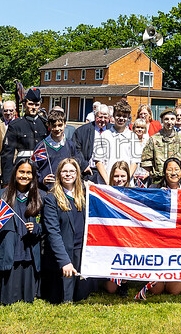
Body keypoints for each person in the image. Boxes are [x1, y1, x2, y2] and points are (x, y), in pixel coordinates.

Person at [0, 158, 44, 305]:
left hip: (29, 257)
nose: (25, 176)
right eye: (21, 172)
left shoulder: (40, 196)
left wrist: (37, 228)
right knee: (8, 299)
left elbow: (48, 228)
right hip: (9, 256)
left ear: (33, 175)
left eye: (29, 173)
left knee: (28, 299)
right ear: (14, 173)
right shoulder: (2, 196)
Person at [42, 158, 91, 304]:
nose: (68, 174)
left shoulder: (86, 194)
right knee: (64, 298)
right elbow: (53, 232)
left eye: (72, 171)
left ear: (77, 174)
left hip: (81, 250)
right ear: (59, 174)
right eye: (64, 171)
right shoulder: (51, 198)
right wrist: (64, 261)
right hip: (63, 252)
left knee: (82, 296)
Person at [149, 157, 181, 296]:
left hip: (177, 243)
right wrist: (156, 197)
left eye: (176, 169)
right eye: (170, 169)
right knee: (155, 290)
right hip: (158, 242)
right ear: (164, 172)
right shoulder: (154, 189)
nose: (173, 173)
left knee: (174, 291)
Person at [1, 88, 49, 183]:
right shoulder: (16, 125)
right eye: (30, 104)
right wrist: (7, 181)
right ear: (25, 104)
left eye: (37, 105)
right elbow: (7, 154)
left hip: (41, 169)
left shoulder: (45, 124)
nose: (34, 107)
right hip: (22, 170)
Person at [101, 161, 132, 296]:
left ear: (128, 177)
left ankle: (125, 282)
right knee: (110, 288)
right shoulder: (105, 192)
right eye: (116, 176)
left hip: (128, 235)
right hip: (111, 234)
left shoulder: (134, 192)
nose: (119, 180)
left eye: (123, 176)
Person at [34, 110, 86, 190]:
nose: (57, 129)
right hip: (46, 191)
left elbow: (78, 167)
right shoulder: (41, 147)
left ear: (65, 124)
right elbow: (34, 170)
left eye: (60, 125)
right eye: (54, 126)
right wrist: (42, 180)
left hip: (66, 190)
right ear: (48, 125)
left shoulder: (71, 145)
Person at [93, 100, 140, 184]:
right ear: (113, 115)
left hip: (125, 184)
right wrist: (108, 181)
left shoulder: (133, 137)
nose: (121, 118)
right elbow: (98, 161)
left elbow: (134, 162)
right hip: (106, 183)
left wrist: (126, 179)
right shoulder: (104, 135)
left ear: (128, 117)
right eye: (118, 115)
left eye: (124, 116)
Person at [140, 109, 181, 186]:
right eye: (166, 119)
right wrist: (155, 172)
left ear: (175, 120)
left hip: (176, 181)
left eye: (172, 119)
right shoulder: (154, 139)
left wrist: (178, 173)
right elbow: (146, 161)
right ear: (162, 120)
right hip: (158, 182)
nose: (169, 122)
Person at [73, 104, 111, 179]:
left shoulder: (113, 130)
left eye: (105, 117)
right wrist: (84, 165)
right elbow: (75, 149)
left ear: (109, 118)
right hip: (89, 172)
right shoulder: (82, 131)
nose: (103, 120)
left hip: (108, 172)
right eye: (100, 117)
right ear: (95, 116)